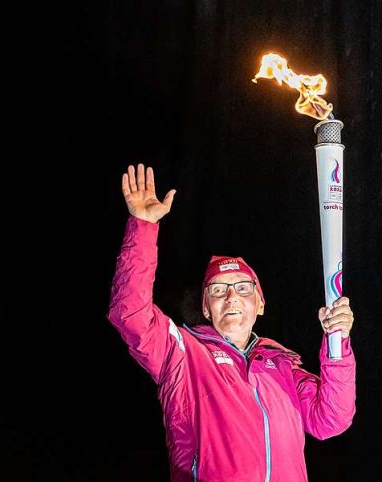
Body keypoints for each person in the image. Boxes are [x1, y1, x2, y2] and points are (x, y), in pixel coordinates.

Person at [107, 164, 356, 481]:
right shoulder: (183, 354)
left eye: (242, 288)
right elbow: (130, 314)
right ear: (207, 310)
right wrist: (142, 227)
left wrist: (337, 345)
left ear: (260, 303)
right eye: (218, 290)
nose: (231, 297)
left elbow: (331, 419)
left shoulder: (282, 367)